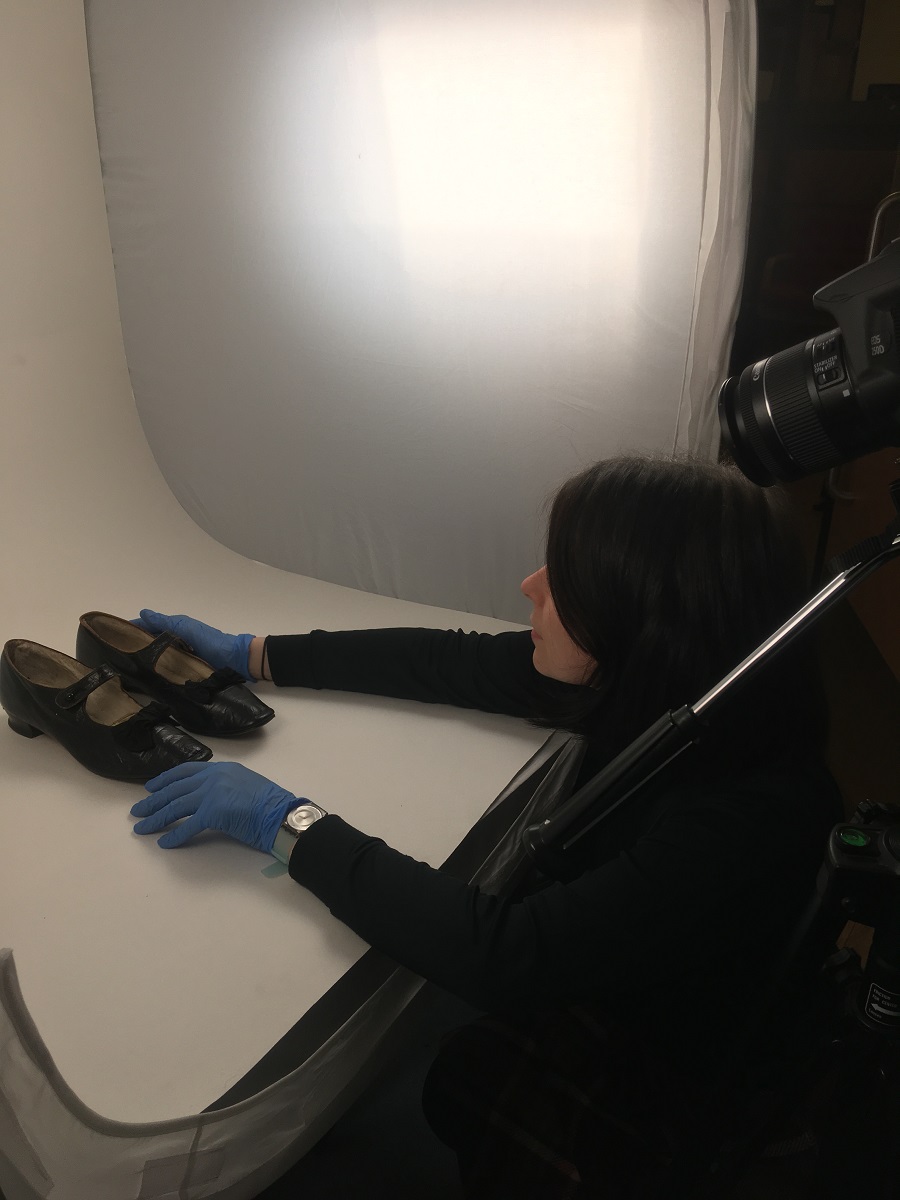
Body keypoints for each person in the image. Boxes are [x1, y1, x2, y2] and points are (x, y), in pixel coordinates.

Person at [130, 454, 841, 1198]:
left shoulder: (746, 815)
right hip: (634, 986)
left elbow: (513, 959)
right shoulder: (675, 680)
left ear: (642, 616)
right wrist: (255, 654)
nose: (530, 587)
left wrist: (287, 821)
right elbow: (451, 660)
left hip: (670, 1086)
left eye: (563, 580)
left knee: (445, 1075)